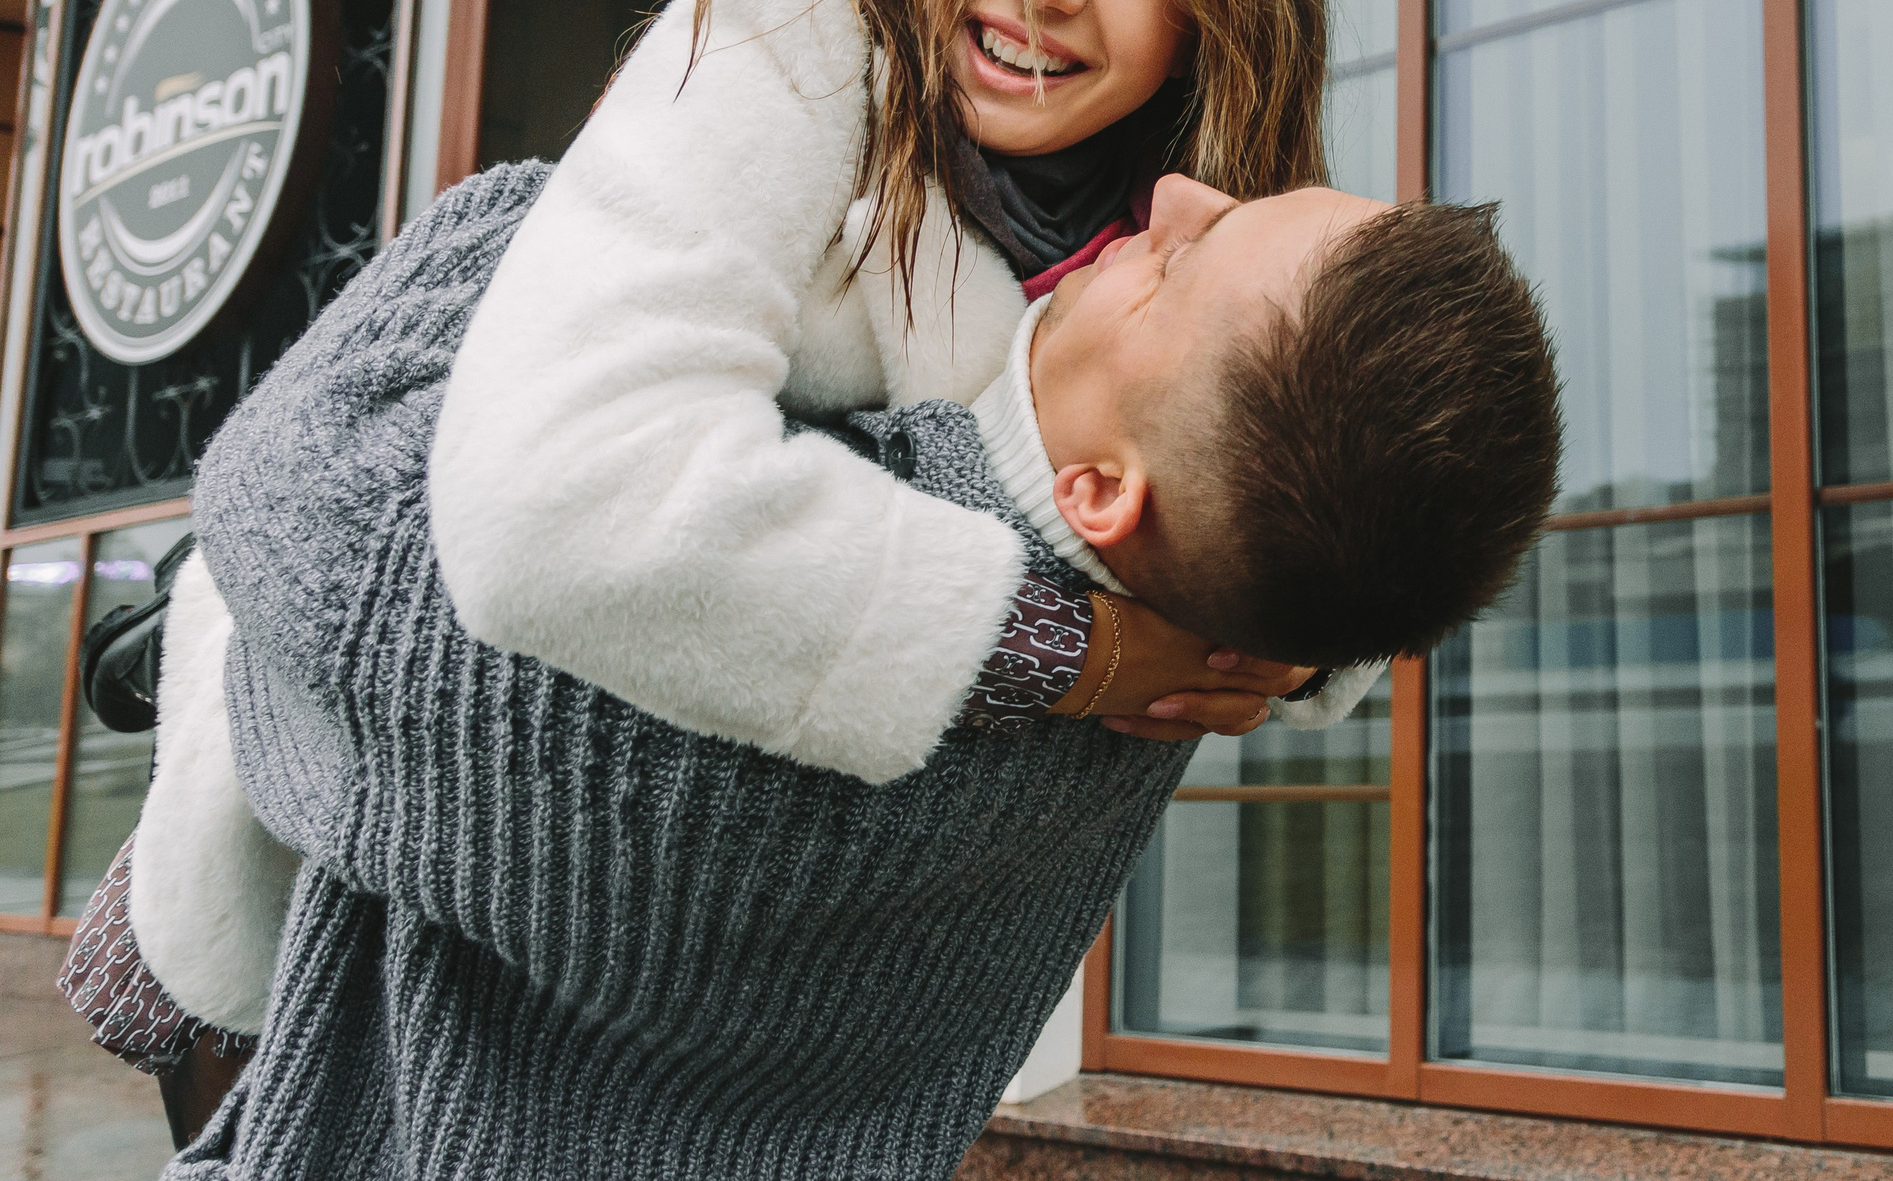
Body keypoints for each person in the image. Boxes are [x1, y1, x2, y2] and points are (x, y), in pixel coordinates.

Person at [61, 0, 1372, 1125]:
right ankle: (195, 626)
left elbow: (1337, 464)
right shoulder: (810, 11)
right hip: (373, 682)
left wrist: (1288, 650)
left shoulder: (1180, 239)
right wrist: (1067, 644)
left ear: (1211, 17)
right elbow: (565, 490)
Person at [172, 151, 1561, 1178]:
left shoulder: (741, 612)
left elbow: (296, 492)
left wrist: (685, 157)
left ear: (1100, 495)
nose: (1180, 193)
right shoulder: (1185, 661)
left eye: (1183, 263)